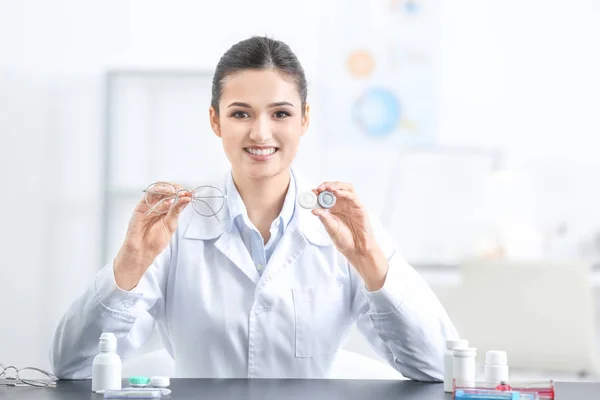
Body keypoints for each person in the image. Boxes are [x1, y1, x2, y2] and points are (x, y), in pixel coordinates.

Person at [50, 36, 458, 380]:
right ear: (215, 121)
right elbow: (75, 366)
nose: (261, 133)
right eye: (240, 113)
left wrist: (370, 261)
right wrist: (130, 263)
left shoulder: (347, 230)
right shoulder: (174, 228)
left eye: (280, 113)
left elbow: (439, 367)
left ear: (304, 119)